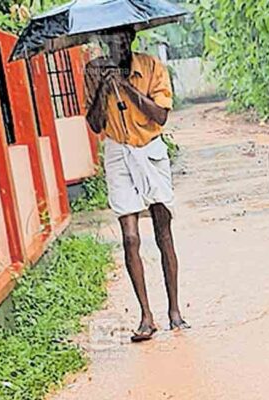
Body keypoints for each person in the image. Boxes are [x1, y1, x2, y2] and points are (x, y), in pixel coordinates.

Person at [83, 30, 188, 342]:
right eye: (107, 40)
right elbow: (95, 124)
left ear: (129, 38)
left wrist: (126, 87)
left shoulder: (152, 66)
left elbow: (160, 115)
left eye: (118, 39)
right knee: (130, 238)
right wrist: (105, 87)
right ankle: (146, 315)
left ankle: (174, 310)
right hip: (117, 151)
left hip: (151, 149)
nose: (113, 45)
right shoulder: (93, 71)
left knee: (162, 229)